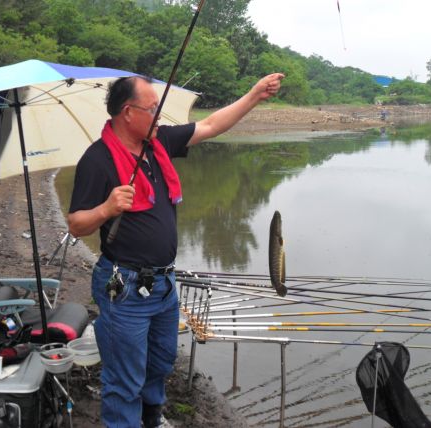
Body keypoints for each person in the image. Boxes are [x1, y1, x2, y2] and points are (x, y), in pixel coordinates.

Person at [67, 72, 284, 428]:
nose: (160, 117)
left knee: (160, 363)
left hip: (164, 285)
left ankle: (151, 419)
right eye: (153, 109)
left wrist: (255, 95)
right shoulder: (98, 159)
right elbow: (76, 224)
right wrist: (106, 208)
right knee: (124, 379)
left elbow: (212, 125)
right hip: (125, 288)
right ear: (127, 112)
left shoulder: (159, 143)